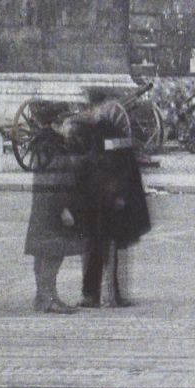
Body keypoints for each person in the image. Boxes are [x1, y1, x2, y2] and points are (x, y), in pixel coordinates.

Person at [71, 99, 151, 307]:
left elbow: (89, 167)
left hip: (99, 199)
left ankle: (94, 294)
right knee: (111, 248)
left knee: (95, 247)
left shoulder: (90, 134)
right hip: (111, 200)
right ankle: (112, 294)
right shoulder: (115, 134)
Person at [23, 130, 86, 314]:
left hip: (43, 207)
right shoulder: (56, 151)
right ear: (56, 124)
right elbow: (55, 181)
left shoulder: (43, 147)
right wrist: (63, 208)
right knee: (53, 253)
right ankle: (48, 298)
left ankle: (44, 296)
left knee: (42, 252)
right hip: (54, 209)